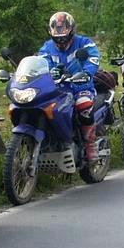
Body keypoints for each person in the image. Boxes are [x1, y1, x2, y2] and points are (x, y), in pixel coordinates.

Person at [38, 11, 101, 161]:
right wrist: (49, 72)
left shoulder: (84, 43)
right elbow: (40, 63)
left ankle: (89, 144)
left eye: (63, 30)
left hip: (80, 86)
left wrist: (86, 73)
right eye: (57, 30)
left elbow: (93, 59)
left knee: (84, 105)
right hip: (56, 88)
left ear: (71, 29)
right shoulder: (47, 47)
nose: (60, 35)